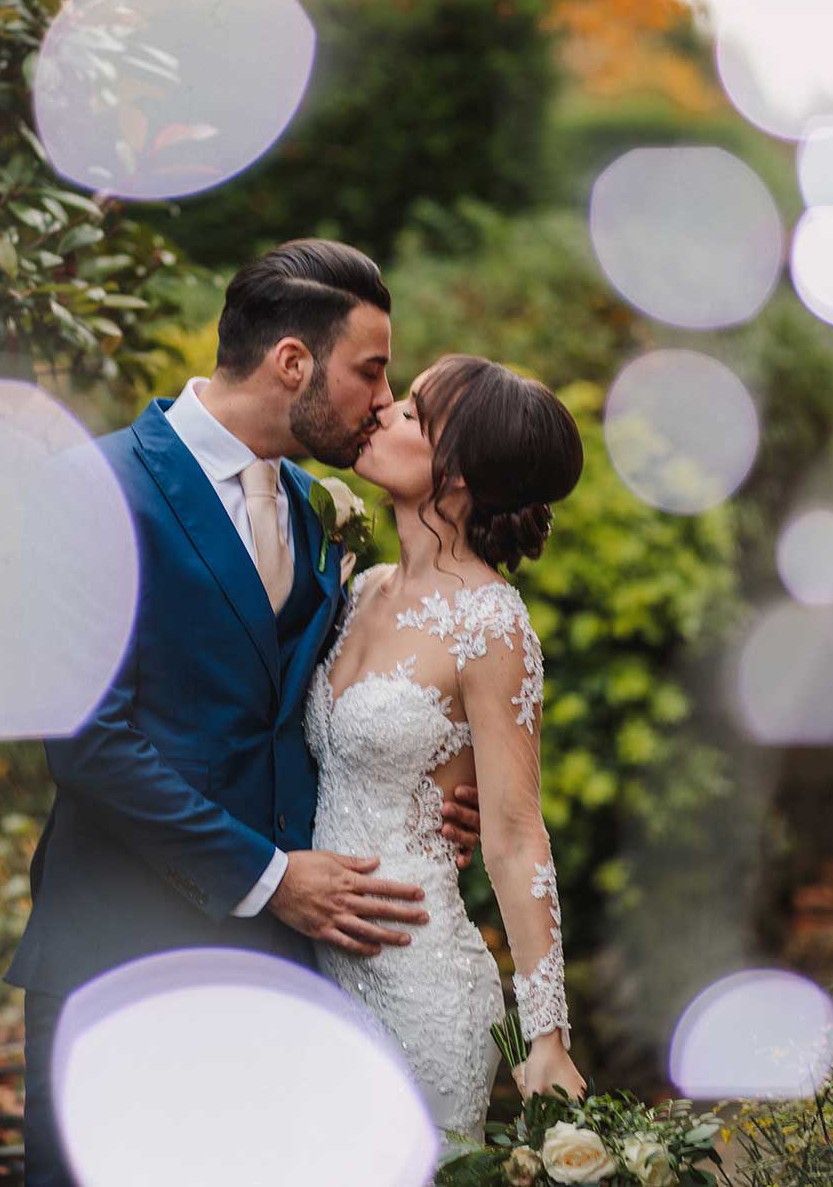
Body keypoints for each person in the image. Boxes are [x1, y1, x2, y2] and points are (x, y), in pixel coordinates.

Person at [2, 240, 485, 1187]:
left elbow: (314, 711)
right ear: (292, 362)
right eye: (371, 370)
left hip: (282, 979)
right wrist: (268, 878)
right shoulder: (96, 487)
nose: (383, 401)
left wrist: (428, 796)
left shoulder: (313, 509)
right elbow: (89, 744)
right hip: (122, 957)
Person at [308, 353, 587, 1144]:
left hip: (419, 984)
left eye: (411, 414)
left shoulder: (492, 623)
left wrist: (546, 1035)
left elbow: (515, 834)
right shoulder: (359, 587)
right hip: (315, 974)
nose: (383, 410)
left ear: (457, 474)